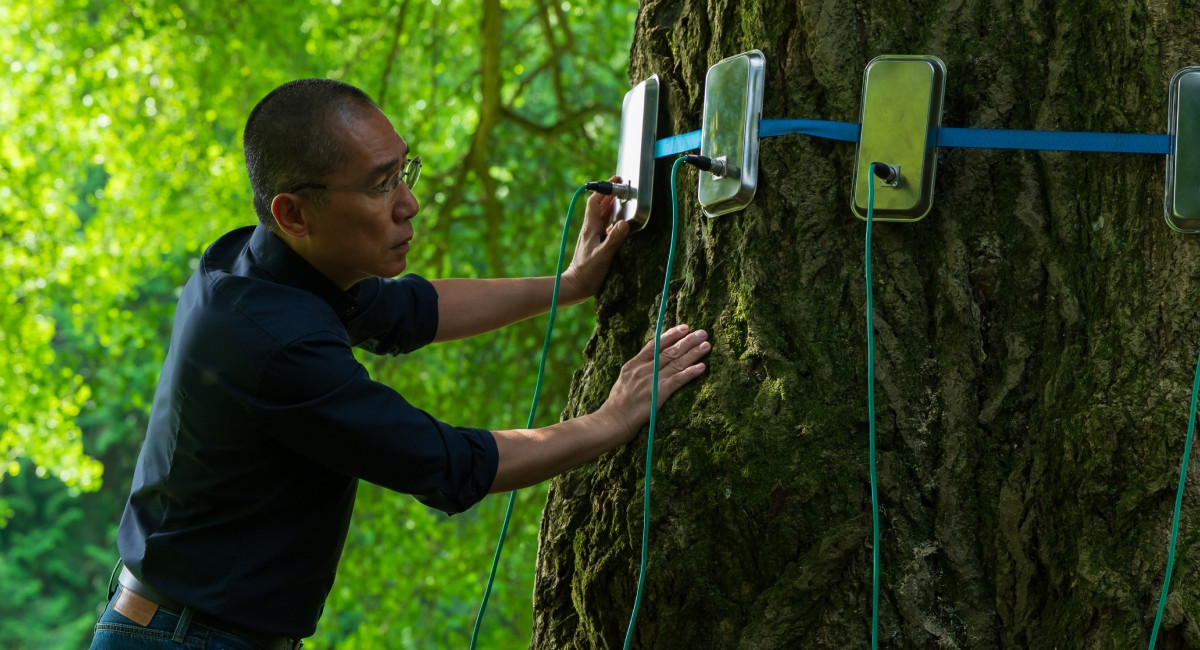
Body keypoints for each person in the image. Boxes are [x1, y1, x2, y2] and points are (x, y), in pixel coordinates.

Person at [88, 78, 710, 650]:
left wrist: (568, 285)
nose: (409, 203)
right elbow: (446, 463)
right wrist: (613, 420)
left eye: (403, 170)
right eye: (382, 185)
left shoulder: (262, 265)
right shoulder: (273, 344)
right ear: (293, 213)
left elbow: (413, 310)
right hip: (184, 640)